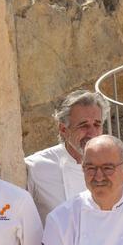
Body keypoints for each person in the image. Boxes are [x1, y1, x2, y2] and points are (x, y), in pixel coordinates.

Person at [25, 90, 106, 223]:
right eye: (83, 125)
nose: (92, 133)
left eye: (97, 124)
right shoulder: (36, 167)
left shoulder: (113, 164)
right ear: (63, 129)